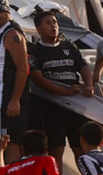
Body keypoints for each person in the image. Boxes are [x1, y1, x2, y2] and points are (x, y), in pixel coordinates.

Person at [28, 10, 93, 169]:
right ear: (39, 29)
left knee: (81, 149)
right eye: (48, 23)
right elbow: (37, 78)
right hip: (52, 107)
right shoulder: (35, 51)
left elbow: (83, 67)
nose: (53, 26)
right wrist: (64, 92)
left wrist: (89, 85)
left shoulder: (69, 46)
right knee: (56, 150)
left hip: (76, 107)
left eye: (55, 22)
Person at [0, 0, 31, 165]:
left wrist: (15, 100)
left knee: (9, 141)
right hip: (0, 98)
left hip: (8, 98)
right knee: (4, 141)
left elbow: (22, 68)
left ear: (8, 11)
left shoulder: (12, 33)